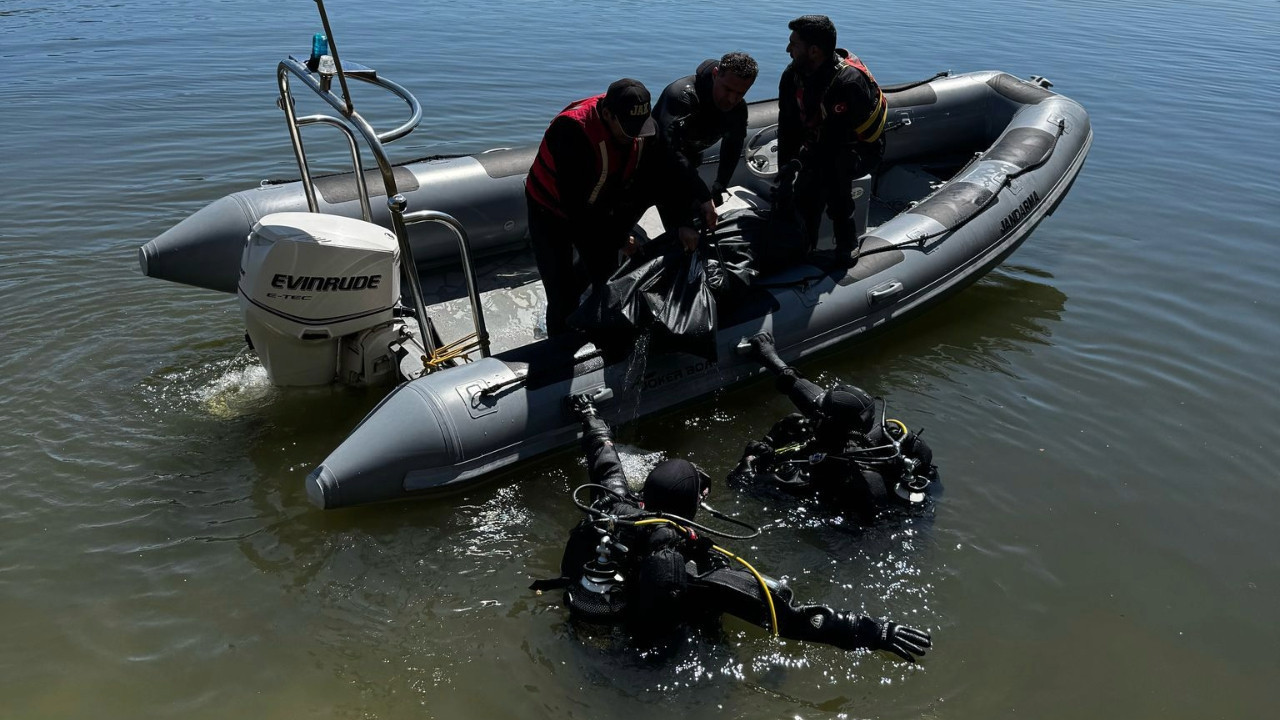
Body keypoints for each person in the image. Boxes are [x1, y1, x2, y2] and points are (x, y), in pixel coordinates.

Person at [531, 394, 933, 662]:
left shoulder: (613, 509)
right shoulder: (698, 567)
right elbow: (791, 618)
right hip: (658, 660)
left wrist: (590, 417)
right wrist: (876, 631)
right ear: (692, 507)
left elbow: (605, 461)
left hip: (586, 630)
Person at [526, 79, 700, 337]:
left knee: (606, 275)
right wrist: (618, 238)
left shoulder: (643, 128)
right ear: (607, 115)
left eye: (640, 128)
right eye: (629, 129)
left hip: (602, 202)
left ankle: (599, 326)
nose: (636, 135)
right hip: (552, 211)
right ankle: (559, 343)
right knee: (561, 291)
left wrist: (684, 220)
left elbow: (666, 172)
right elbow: (579, 213)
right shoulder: (572, 131)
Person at [731, 332, 938, 517]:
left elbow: (739, 483)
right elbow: (805, 392)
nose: (815, 413)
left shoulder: (823, 470)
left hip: (852, 523)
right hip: (883, 487)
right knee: (795, 422)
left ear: (828, 421)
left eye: (820, 412)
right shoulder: (881, 434)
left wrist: (750, 457)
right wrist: (770, 357)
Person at [777, 15, 889, 266]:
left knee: (825, 175)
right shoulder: (792, 76)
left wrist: (801, 164)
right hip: (821, 143)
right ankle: (802, 248)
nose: (787, 50)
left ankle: (846, 240)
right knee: (800, 184)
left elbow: (836, 142)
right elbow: (788, 126)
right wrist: (786, 167)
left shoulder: (849, 84)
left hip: (859, 148)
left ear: (814, 50)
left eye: (793, 44)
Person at [653, 52, 759, 234]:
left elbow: (732, 146)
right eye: (727, 89)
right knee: (680, 226)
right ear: (716, 74)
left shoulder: (737, 109)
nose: (732, 99)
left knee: (695, 229)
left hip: (688, 164)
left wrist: (719, 185)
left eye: (741, 93)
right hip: (652, 164)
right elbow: (669, 151)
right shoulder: (682, 96)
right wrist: (703, 195)